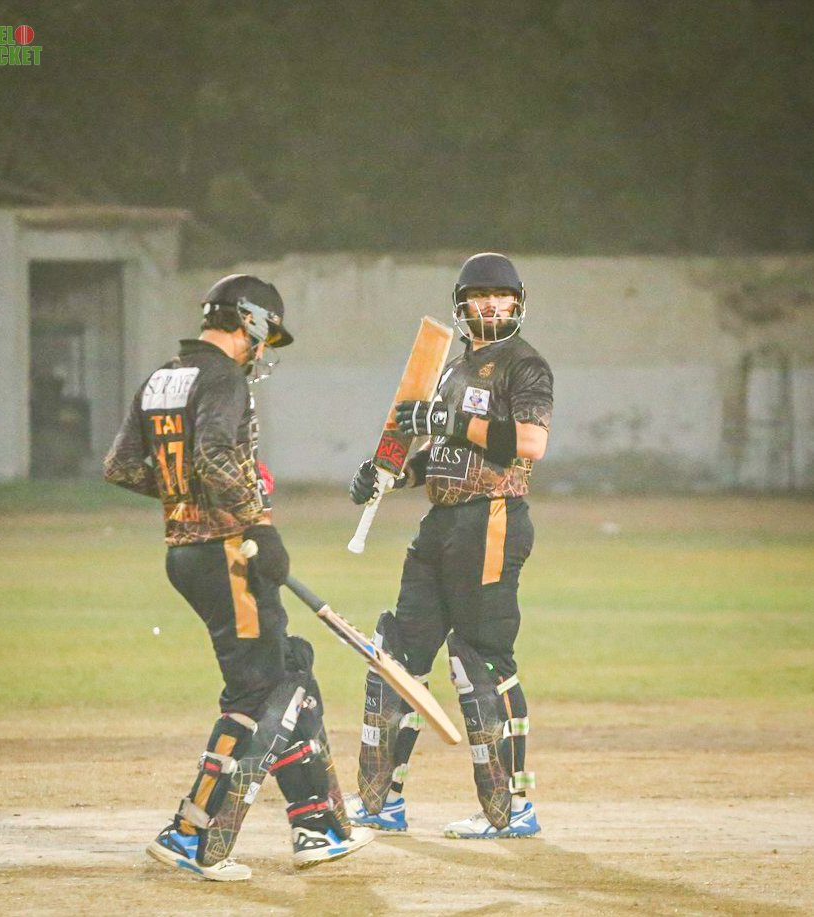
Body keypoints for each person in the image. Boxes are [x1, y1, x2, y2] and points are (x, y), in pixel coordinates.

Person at [104, 274, 372, 880]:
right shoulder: (222, 377)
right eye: (265, 337)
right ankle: (191, 834)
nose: (263, 350)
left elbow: (121, 465)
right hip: (227, 552)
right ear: (248, 321)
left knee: (288, 670)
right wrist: (257, 522)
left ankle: (318, 825)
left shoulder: (162, 377)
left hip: (185, 551)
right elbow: (213, 455)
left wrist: (188, 497)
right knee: (258, 693)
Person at [345, 253, 553, 839]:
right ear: (462, 305)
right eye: (479, 296)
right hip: (440, 523)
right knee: (399, 656)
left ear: (517, 303)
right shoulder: (453, 370)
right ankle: (380, 800)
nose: (491, 305)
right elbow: (442, 457)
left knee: (481, 660)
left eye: (501, 296)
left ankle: (511, 808)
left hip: (491, 519)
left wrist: (449, 420)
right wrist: (390, 476)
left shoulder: (524, 365)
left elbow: (530, 443)